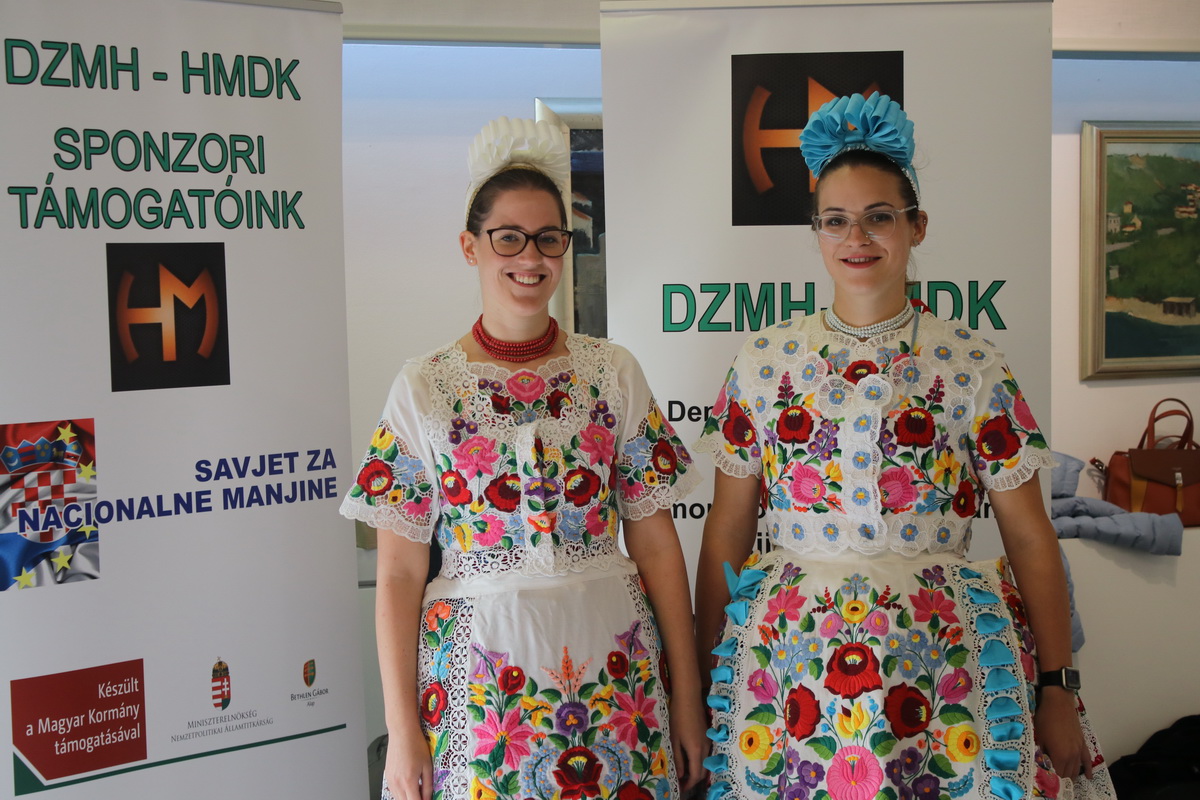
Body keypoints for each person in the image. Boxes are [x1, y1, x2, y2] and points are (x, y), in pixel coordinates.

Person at [693, 94, 1115, 800]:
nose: (856, 236)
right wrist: (706, 673)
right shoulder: (763, 361)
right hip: (790, 665)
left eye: (879, 216)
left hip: (940, 665)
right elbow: (728, 528)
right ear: (817, 232)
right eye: (835, 219)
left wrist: (1058, 686)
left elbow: (1029, 535)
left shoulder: (972, 364)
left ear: (916, 226)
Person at [341, 117, 708, 800]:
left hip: (616, 672)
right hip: (480, 685)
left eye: (549, 237)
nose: (530, 257)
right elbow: (397, 573)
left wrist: (687, 697)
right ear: (470, 246)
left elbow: (658, 548)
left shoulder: (613, 372)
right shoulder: (423, 387)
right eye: (508, 236)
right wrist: (402, 728)